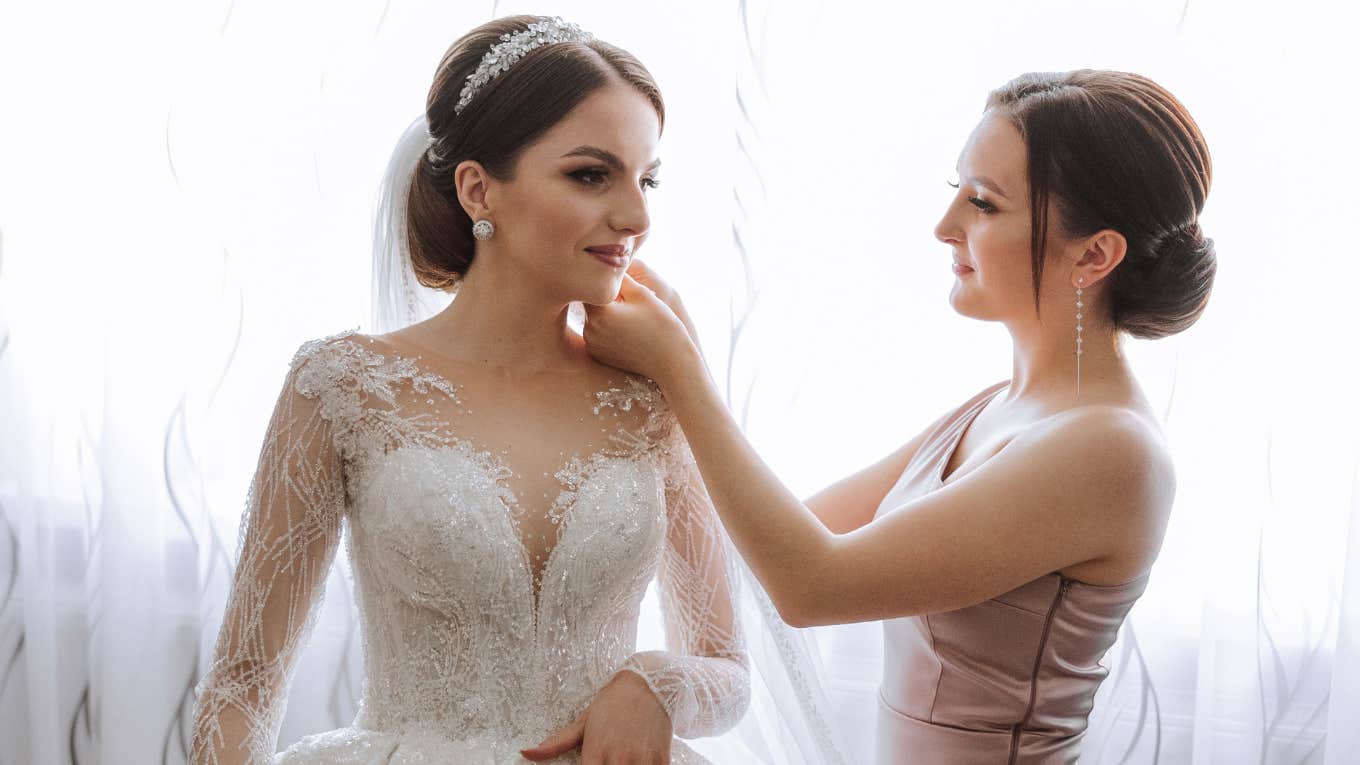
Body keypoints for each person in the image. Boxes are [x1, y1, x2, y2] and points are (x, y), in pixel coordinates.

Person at [583, 69, 1216, 763]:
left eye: (983, 203)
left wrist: (682, 372)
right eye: (957, 193)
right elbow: (769, 548)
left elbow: (812, 584)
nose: (944, 227)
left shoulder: (1109, 450)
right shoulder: (999, 408)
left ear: (1094, 254)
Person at [191, 15, 776, 764]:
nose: (636, 215)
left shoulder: (650, 402)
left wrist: (653, 680)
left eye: (647, 177)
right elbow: (241, 682)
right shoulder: (342, 387)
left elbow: (727, 668)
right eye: (591, 174)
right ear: (478, 190)